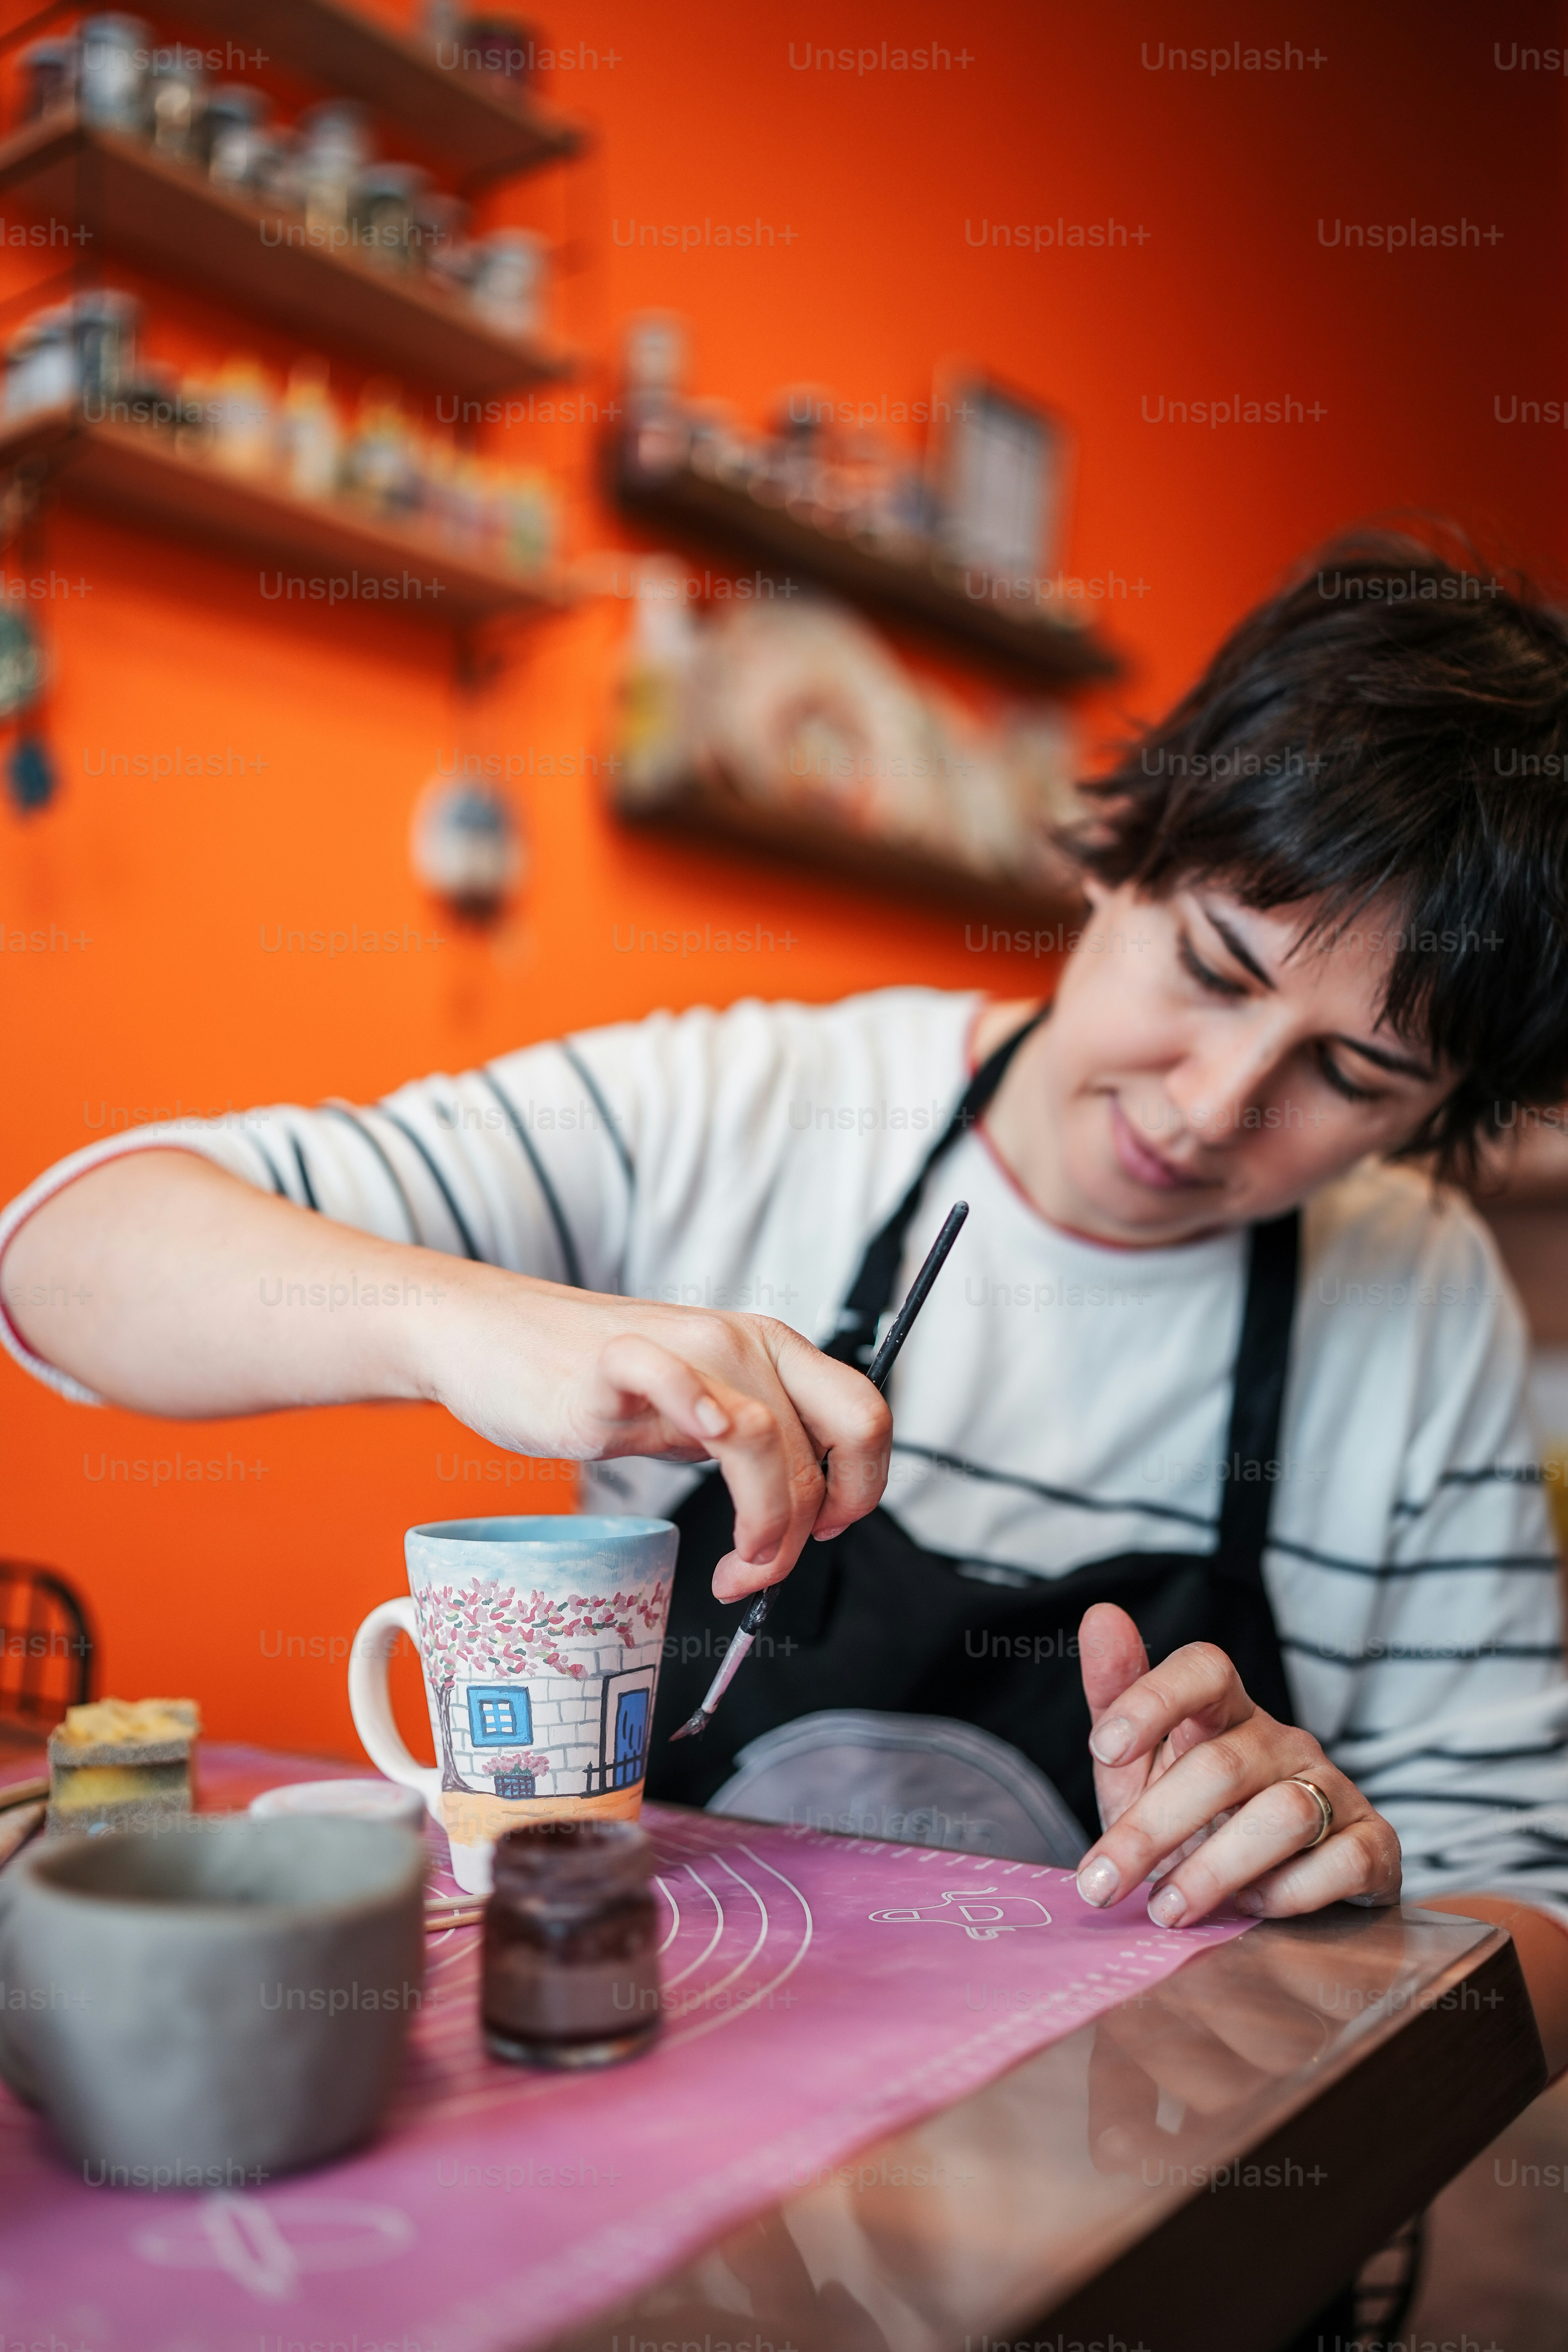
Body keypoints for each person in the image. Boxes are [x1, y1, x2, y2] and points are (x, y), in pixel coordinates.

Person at [6, 530, 1568, 2079]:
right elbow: (66, 1258)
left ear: (1433, 1115)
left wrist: (1339, 1896)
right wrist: (475, 1322)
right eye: (1215, 970)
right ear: (1119, 851)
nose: (1220, 1103)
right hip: (638, 2091)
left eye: (1351, 1074)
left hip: (1115, 2179)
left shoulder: (1420, 1306)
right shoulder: (742, 1106)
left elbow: (1538, 1934)